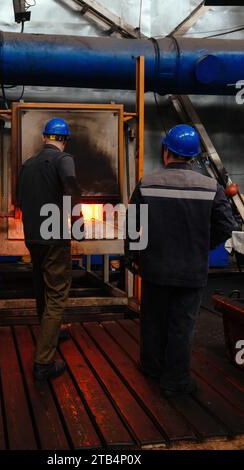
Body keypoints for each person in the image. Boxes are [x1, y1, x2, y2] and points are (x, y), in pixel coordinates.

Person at [125, 124, 238, 397]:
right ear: (193, 156)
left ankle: (151, 367)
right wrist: (203, 246)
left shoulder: (147, 183)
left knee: (153, 320)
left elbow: (132, 224)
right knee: (181, 325)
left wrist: (132, 257)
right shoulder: (210, 187)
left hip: (155, 268)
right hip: (191, 270)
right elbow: (227, 226)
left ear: (166, 151)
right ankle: (175, 380)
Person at [17, 117, 81, 381]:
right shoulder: (63, 159)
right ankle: (44, 363)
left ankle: (51, 330)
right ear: (63, 140)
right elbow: (72, 191)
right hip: (55, 237)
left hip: (33, 236)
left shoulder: (28, 164)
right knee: (57, 294)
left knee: (42, 288)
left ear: (45, 138)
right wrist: (77, 225)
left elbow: (19, 199)